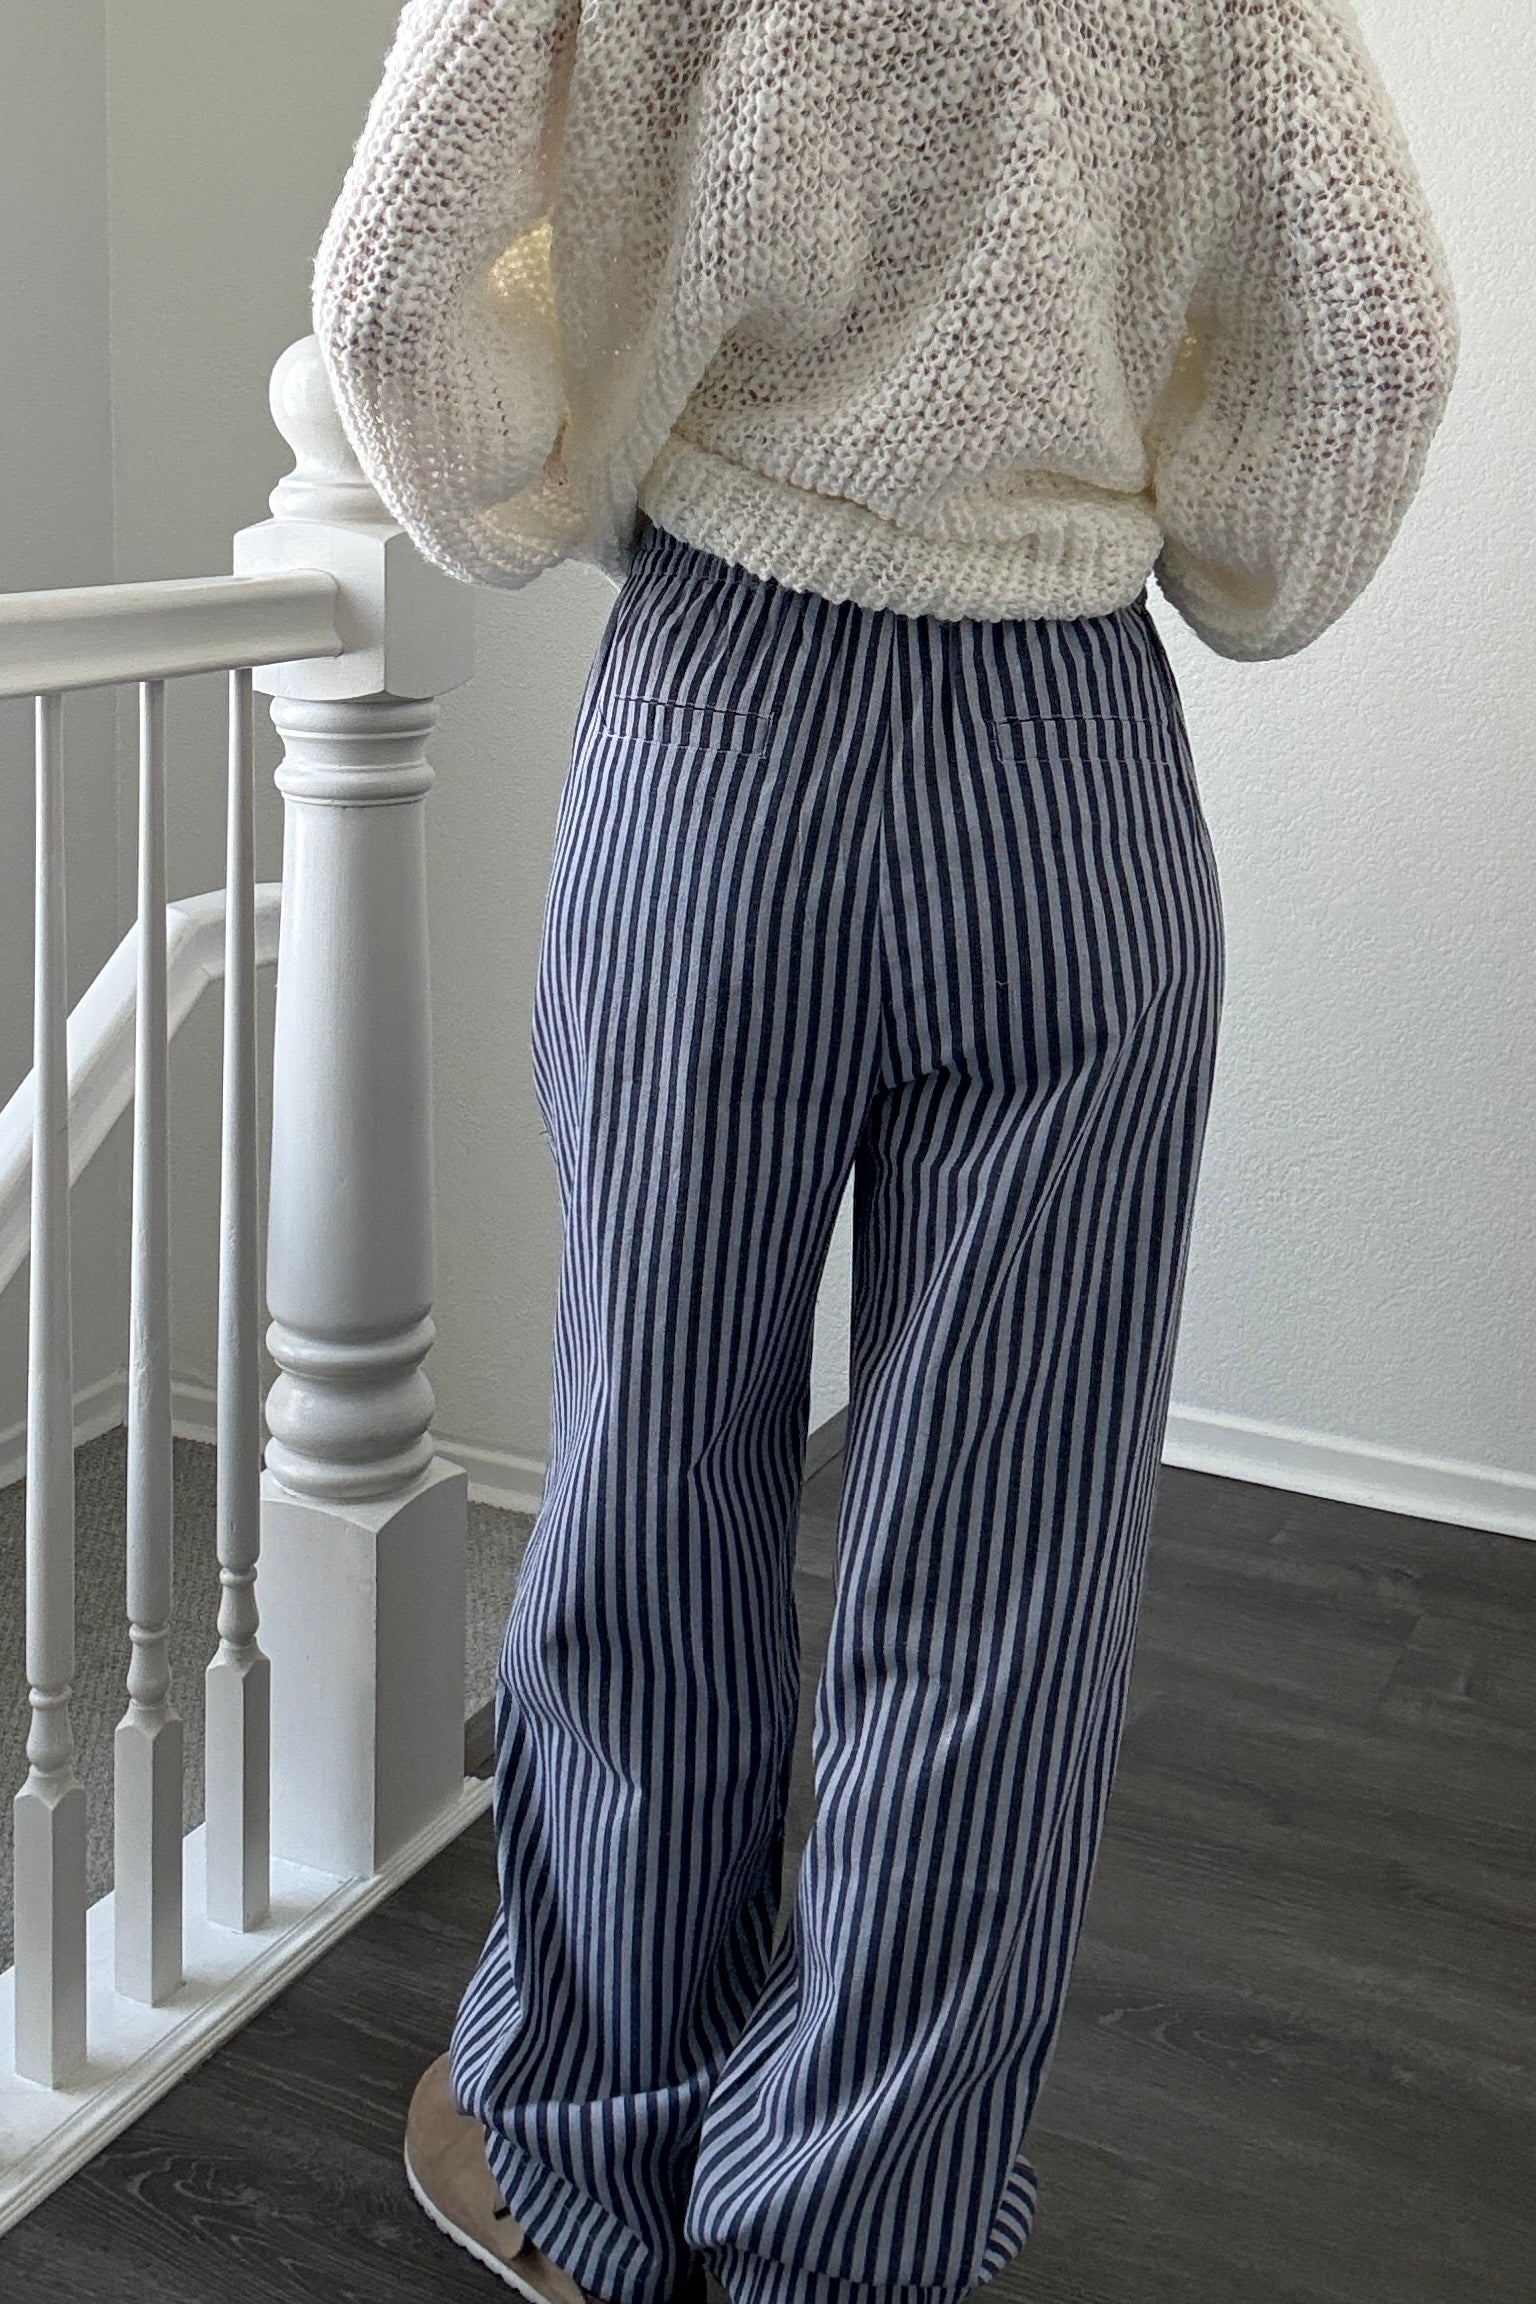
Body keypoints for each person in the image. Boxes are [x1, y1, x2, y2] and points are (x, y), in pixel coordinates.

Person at [311, 4, 1459, 2301]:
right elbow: (1380, 340)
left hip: (725, 733)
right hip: (1074, 777)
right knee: (1005, 1569)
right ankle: (862, 2225)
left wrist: (526, 489)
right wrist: (1219, 559)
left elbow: (388, 288)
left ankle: (588, 2146)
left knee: (658, 1485)